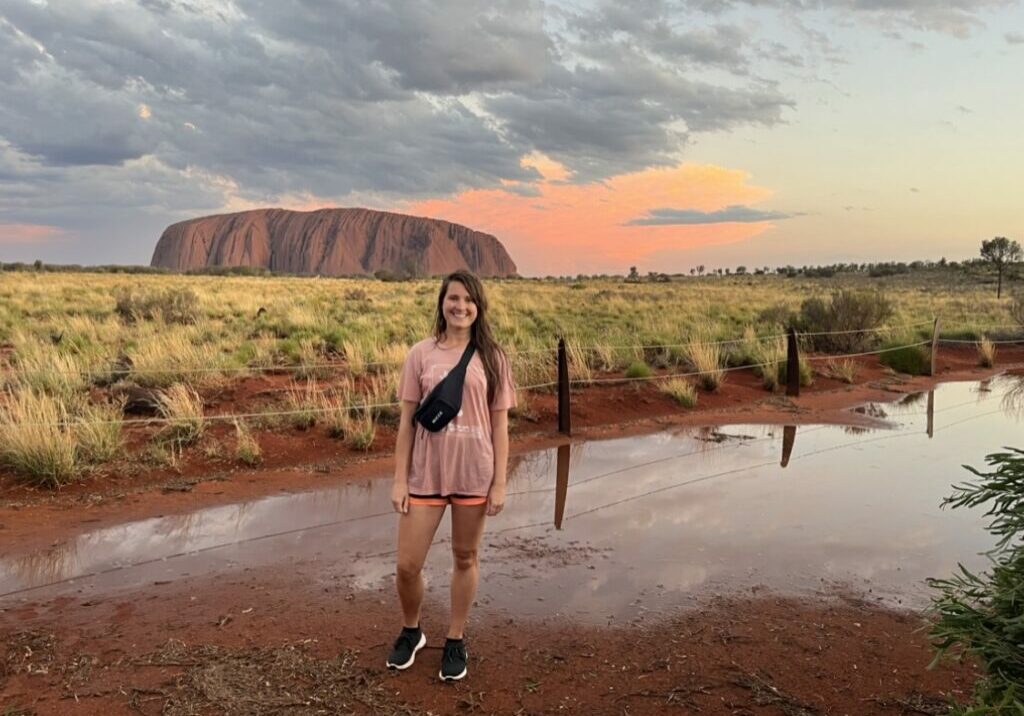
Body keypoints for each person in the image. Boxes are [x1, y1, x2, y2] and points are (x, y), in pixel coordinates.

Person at [386, 270, 516, 682]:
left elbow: (500, 427)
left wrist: (499, 482)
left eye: (468, 300)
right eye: (453, 298)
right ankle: (412, 630)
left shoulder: (492, 357)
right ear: (442, 303)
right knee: (407, 565)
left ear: (479, 307)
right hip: (426, 473)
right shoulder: (420, 354)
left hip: (474, 474)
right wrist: (399, 479)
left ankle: (456, 637)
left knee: (465, 557)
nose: (460, 306)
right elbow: (407, 422)